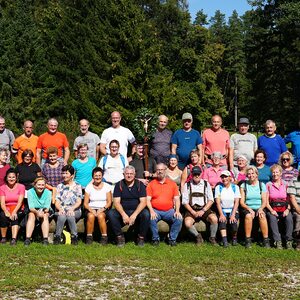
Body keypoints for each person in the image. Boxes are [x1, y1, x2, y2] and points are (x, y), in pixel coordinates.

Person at [107, 165, 150, 247]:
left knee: (146, 214)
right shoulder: (119, 185)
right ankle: (119, 237)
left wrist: (134, 215)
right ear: (123, 174)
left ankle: (141, 238)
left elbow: (143, 202)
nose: (129, 175)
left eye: (131, 174)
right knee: (111, 213)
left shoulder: (140, 185)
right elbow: (116, 202)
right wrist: (123, 215)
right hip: (123, 211)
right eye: (127, 174)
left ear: (134, 174)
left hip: (136, 211)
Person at [147, 163, 182, 246]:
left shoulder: (172, 184)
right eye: (158, 170)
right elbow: (147, 200)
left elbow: (177, 199)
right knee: (150, 218)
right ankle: (155, 239)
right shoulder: (151, 184)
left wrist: (177, 211)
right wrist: (151, 211)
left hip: (169, 211)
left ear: (165, 171)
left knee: (179, 219)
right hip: (155, 210)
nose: (159, 171)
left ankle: (172, 239)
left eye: (161, 170)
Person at [181, 166, 218, 245]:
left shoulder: (206, 184)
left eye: (198, 174)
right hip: (192, 208)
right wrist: (192, 211)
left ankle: (212, 238)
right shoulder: (187, 185)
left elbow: (211, 200)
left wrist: (203, 210)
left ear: (201, 174)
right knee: (187, 223)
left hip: (204, 208)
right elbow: (184, 201)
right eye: (195, 174)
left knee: (214, 219)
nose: (197, 176)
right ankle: (198, 236)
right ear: (191, 174)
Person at [239, 166, 270, 248]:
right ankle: (248, 239)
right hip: (247, 207)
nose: (251, 175)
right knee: (248, 216)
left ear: (257, 174)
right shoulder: (243, 185)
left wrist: (261, 209)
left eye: (253, 173)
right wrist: (249, 209)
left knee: (262, 215)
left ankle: (266, 240)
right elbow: (242, 202)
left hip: (259, 207)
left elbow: (264, 201)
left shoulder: (262, 185)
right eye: (248, 174)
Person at [265, 164, 293, 249]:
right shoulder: (268, 185)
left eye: (277, 172)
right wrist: (271, 210)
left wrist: (288, 209)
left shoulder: (286, 184)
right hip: (272, 208)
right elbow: (266, 202)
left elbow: (290, 199)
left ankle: (289, 241)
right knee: (272, 218)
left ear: (281, 173)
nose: (275, 174)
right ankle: (278, 241)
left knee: (289, 218)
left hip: (285, 208)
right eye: (273, 172)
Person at [53, 165, 82, 245]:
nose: (64, 175)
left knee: (70, 215)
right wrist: (60, 209)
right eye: (63, 173)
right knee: (62, 216)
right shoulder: (59, 186)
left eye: (66, 173)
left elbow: (79, 201)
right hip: (61, 209)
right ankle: (57, 237)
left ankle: (74, 236)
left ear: (72, 175)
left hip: (75, 209)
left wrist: (72, 209)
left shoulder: (77, 186)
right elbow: (57, 201)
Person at [84, 167, 112, 245]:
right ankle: (89, 237)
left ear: (102, 176)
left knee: (100, 216)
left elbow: (109, 202)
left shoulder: (107, 186)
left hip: (103, 208)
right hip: (91, 208)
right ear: (93, 176)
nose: (98, 177)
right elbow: (85, 203)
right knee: (91, 216)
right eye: (96, 175)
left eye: (99, 175)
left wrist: (102, 209)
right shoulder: (89, 187)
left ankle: (104, 237)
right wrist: (91, 210)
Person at [215, 170, 241, 247]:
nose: (224, 178)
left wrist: (233, 214)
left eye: (226, 176)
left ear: (230, 177)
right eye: (222, 177)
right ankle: (225, 241)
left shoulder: (235, 187)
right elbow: (218, 202)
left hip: (233, 209)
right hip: (222, 209)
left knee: (233, 224)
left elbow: (237, 202)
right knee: (222, 222)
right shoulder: (218, 187)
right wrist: (221, 214)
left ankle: (234, 238)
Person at [24, 177, 52, 246]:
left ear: (45, 185)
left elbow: (47, 208)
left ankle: (45, 239)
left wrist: (42, 212)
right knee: (31, 215)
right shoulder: (30, 192)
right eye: (39, 185)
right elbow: (31, 207)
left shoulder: (48, 193)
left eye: (43, 185)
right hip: (33, 210)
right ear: (35, 185)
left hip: (45, 210)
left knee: (45, 216)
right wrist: (37, 212)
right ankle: (27, 238)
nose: (41, 187)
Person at [0, 168, 25, 245]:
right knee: (2, 216)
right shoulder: (2, 188)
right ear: (6, 178)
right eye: (9, 177)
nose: (11, 179)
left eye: (13, 177)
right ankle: (3, 238)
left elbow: (20, 202)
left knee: (15, 216)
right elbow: (2, 203)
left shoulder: (21, 187)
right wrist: (6, 211)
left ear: (16, 178)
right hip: (7, 207)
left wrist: (14, 211)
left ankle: (14, 239)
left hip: (18, 207)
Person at [287, 174, 300, 251]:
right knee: (299, 217)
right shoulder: (294, 181)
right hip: (297, 206)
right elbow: (292, 198)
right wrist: (298, 209)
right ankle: (299, 242)